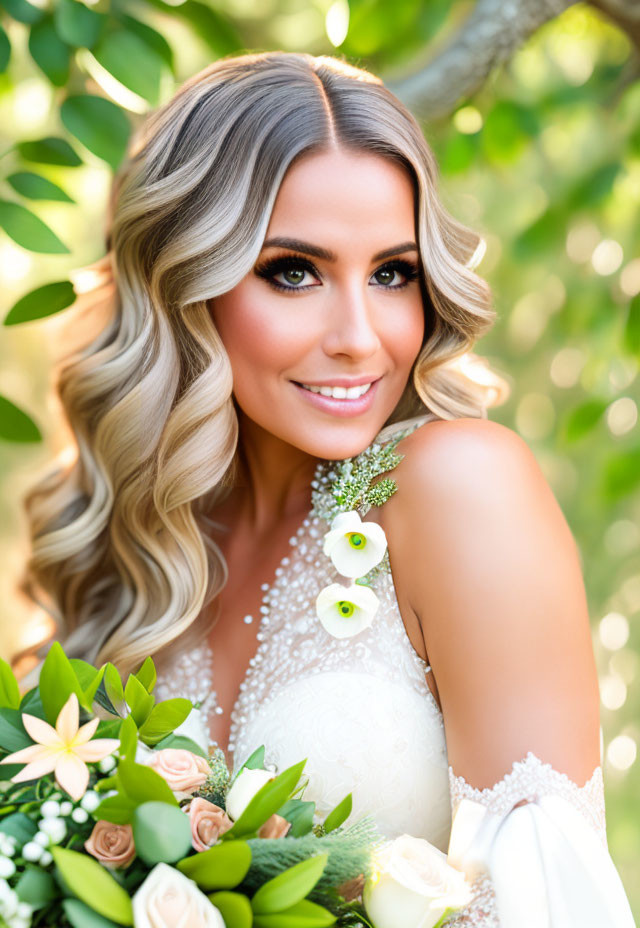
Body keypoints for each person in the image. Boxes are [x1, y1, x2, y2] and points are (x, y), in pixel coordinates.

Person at [18, 52, 635, 926]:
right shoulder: (148, 543)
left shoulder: (459, 485)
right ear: (186, 285)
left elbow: (546, 897)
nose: (358, 337)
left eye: (393, 273)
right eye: (294, 271)